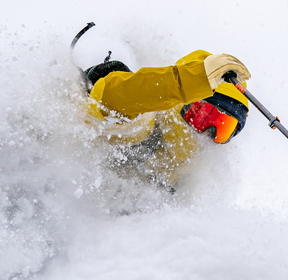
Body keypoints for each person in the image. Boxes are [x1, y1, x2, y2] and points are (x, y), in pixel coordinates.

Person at [70, 23, 252, 187]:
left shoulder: (191, 176)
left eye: (223, 129)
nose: (207, 132)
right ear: (183, 99)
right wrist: (191, 80)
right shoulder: (146, 120)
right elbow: (115, 98)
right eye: (202, 114)